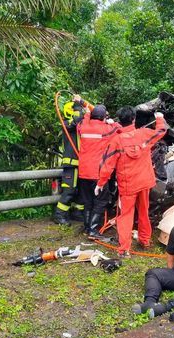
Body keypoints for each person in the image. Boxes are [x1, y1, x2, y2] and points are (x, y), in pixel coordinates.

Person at [97, 107, 167, 256]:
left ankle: (124, 249)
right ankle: (144, 240)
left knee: (126, 215)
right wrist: (159, 118)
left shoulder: (116, 141)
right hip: (145, 182)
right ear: (134, 119)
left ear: (120, 121)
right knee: (143, 211)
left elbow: (107, 164)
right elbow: (161, 131)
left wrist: (100, 183)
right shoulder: (143, 134)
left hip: (128, 185)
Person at [77, 104, 121, 239]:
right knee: (100, 201)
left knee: (87, 201)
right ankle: (93, 230)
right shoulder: (106, 129)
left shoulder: (83, 126)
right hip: (98, 173)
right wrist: (111, 121)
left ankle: (87, 226)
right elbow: (120, 128)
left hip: (83, 172)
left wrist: (87, 110)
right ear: (103, 117)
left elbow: (85, 117)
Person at [53, 94, 86, 225]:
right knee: (70, 190)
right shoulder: (67, 124)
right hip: (71, 164)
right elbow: (76, 120)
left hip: (81, 163)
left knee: (80, 191)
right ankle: (59, 215)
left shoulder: (80, 124)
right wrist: (78, 105)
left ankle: (77, 212)